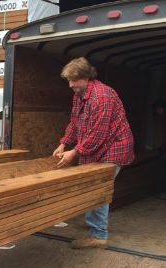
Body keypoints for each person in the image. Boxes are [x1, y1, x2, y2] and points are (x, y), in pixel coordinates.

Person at [53, 57, 135, 249]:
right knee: (91, 188)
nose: (70, 84)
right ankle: (95, 226)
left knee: (97, 189)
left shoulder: (102, 97)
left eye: (74, 80)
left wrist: (75, 152)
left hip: (114, 148)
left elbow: (98, 133)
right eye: (68, 80)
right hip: (99, 148)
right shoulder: (79, 94)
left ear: (87, 77)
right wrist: (64, 143)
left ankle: (98, 235)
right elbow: (75, 122)